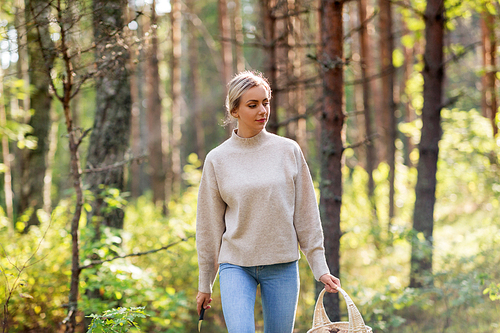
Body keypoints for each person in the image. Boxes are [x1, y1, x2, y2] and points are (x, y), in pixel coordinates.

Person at [196, 71, 340, 333]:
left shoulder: (288, 150)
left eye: (266, 102)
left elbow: (306, 214)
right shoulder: (217, 159)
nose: (262, 110)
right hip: (236, 265)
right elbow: (209, 227)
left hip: (281, 264)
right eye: (252, 105)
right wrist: (205, 283)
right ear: (235, 110)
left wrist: (320, 267)